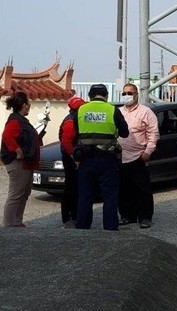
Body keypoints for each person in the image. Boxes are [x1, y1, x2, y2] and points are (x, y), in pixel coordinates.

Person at [74, 84, 129, 231]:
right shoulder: (112, 110)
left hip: (85, 159)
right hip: (107, 159)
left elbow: (75, 131)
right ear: (106, 96)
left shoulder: (81, 110)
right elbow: (125, 133)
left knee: (85, 196)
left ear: (90, 96)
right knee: (109, 196)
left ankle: (82, 227)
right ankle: (110, 229)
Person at [117, 83, 160, 229]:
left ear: (136, 94)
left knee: (142, 189)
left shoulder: (146, 112)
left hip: (138, 156)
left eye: (130, 93)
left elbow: (153, 133)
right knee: (123, 188)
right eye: (124, 93)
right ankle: (126, 216)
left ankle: (145, 217)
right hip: (120, 157)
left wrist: (148, 152)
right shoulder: (118, 112)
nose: (127, 96)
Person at [0, 91, 41, 227]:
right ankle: (9, 223)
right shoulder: (16, 121)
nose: (29, 106)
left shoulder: (20, 120)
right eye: (28, 103)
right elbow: (7, 136)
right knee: (16, 194)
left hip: (26, 162)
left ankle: (16, 221)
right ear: (24, 105)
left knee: (23, 193)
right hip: (18, 163)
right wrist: (17, 151)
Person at [58, 96, 86, 229]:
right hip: (71, 159)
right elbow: (66, 142)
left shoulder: (71, 118)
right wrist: (75, 159)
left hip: (70, 157)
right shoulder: (71, 122)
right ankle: (69, 218)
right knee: (71, 188)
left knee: (73, 187)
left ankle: (73, 216)